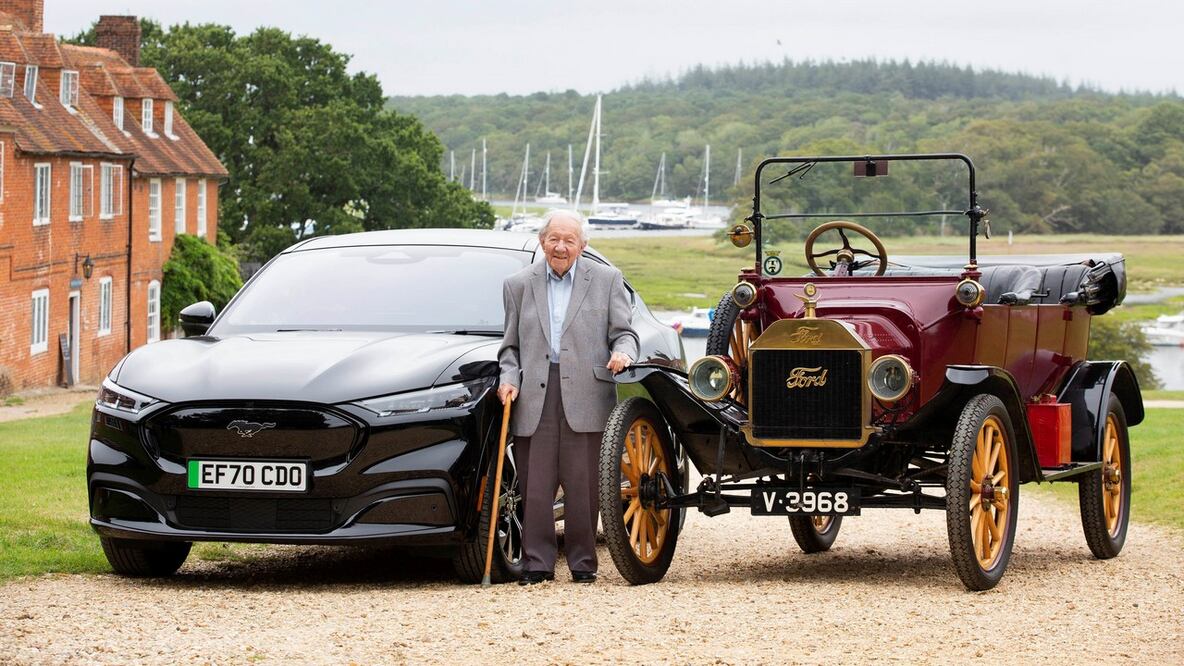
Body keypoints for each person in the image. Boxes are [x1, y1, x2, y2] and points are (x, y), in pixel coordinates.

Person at [497, 210, 639, 585]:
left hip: (588, 393)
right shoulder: (518, 284)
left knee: (583, 485)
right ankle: (537, 564)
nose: (560, 247)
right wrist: (508, 378)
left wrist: (623, 354)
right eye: (553, 239)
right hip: (534, 395)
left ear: (583, 245)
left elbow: (625, 334)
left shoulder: (608, 280)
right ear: (542, 241)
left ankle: (582, 564)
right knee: (535, 485)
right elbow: (509, 347)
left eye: (569, 241)